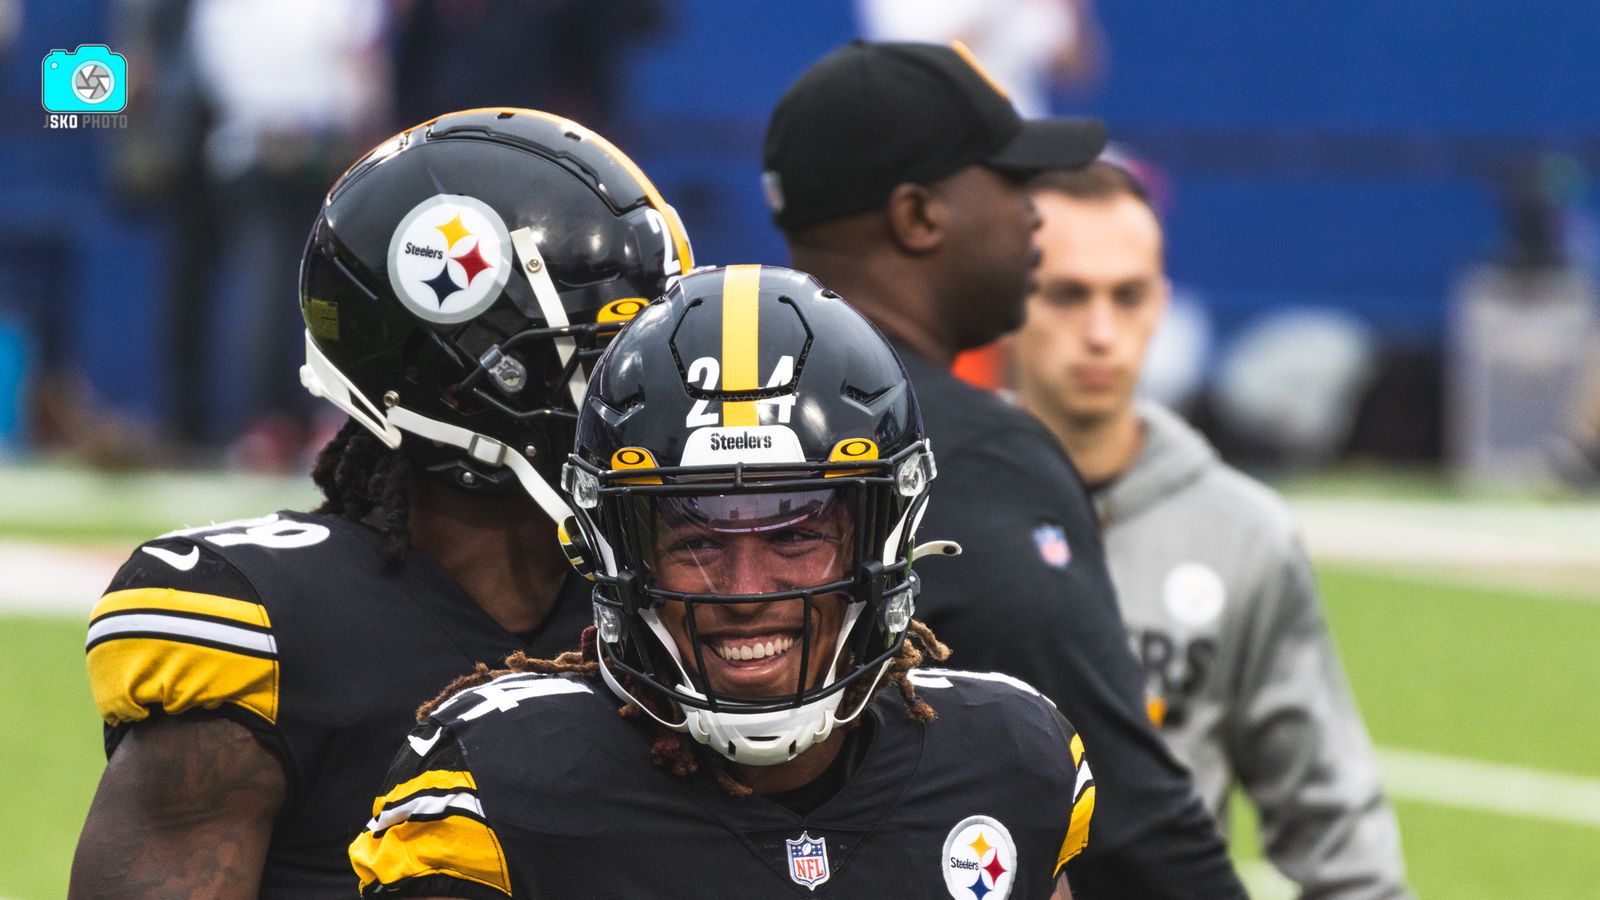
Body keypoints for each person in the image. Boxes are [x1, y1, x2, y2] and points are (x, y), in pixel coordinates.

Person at [69, 107, 693, 898]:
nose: (650, 398)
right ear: (462, 381)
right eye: (601, 361)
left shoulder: (684, 596)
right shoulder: (267, 622)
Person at [349, 265, 1097, 898]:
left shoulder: (1007, 757)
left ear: (882, 539)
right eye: (698, 539)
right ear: (617, 551)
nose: (745, 589)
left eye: (797, 534)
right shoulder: (506, 783)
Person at [761, 40, 1244, 899]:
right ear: (918, 217)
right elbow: (1126, 816)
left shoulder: (676, 431)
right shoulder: (973, 451)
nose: (1037, 217)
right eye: (1014, 184)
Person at [1011, 161, 1411, 898]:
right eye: (1067, 294)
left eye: (1126, 296)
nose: (1101, 331)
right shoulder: (931, 508)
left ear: (1161, 304)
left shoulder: (1242, 532)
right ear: (1009, 300)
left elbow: (1335, 825)